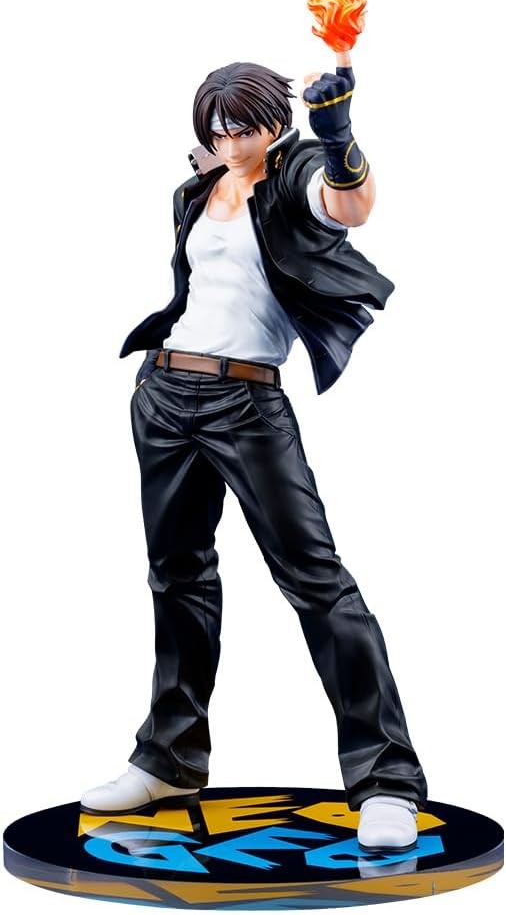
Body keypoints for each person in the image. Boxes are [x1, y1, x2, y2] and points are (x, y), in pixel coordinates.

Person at [81, 52, 428, 853]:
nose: (232, 141)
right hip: (164, 395)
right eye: (219, 128)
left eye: (245, 126)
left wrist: (338, 135)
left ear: (275, 122)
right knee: (177, 577)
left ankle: (386, 779)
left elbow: (348, 204)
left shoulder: (295, 173)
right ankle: (169, 758)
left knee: (317, 581)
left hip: (247, 403)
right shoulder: (197, 190)